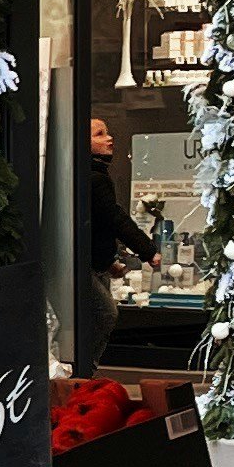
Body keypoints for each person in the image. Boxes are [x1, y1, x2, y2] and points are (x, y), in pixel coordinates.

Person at [82, 112, 160, 367]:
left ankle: (85, 369)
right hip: (87, 267)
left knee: (96, 316)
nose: (110, 138)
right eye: (99, 134)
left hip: (96, 263)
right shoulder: (94, 179)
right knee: (105, 314)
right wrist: (148, 250)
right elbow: (115, 219)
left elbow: (97, 226)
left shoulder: (92, 175)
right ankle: (85, 370)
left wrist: (109, 261)